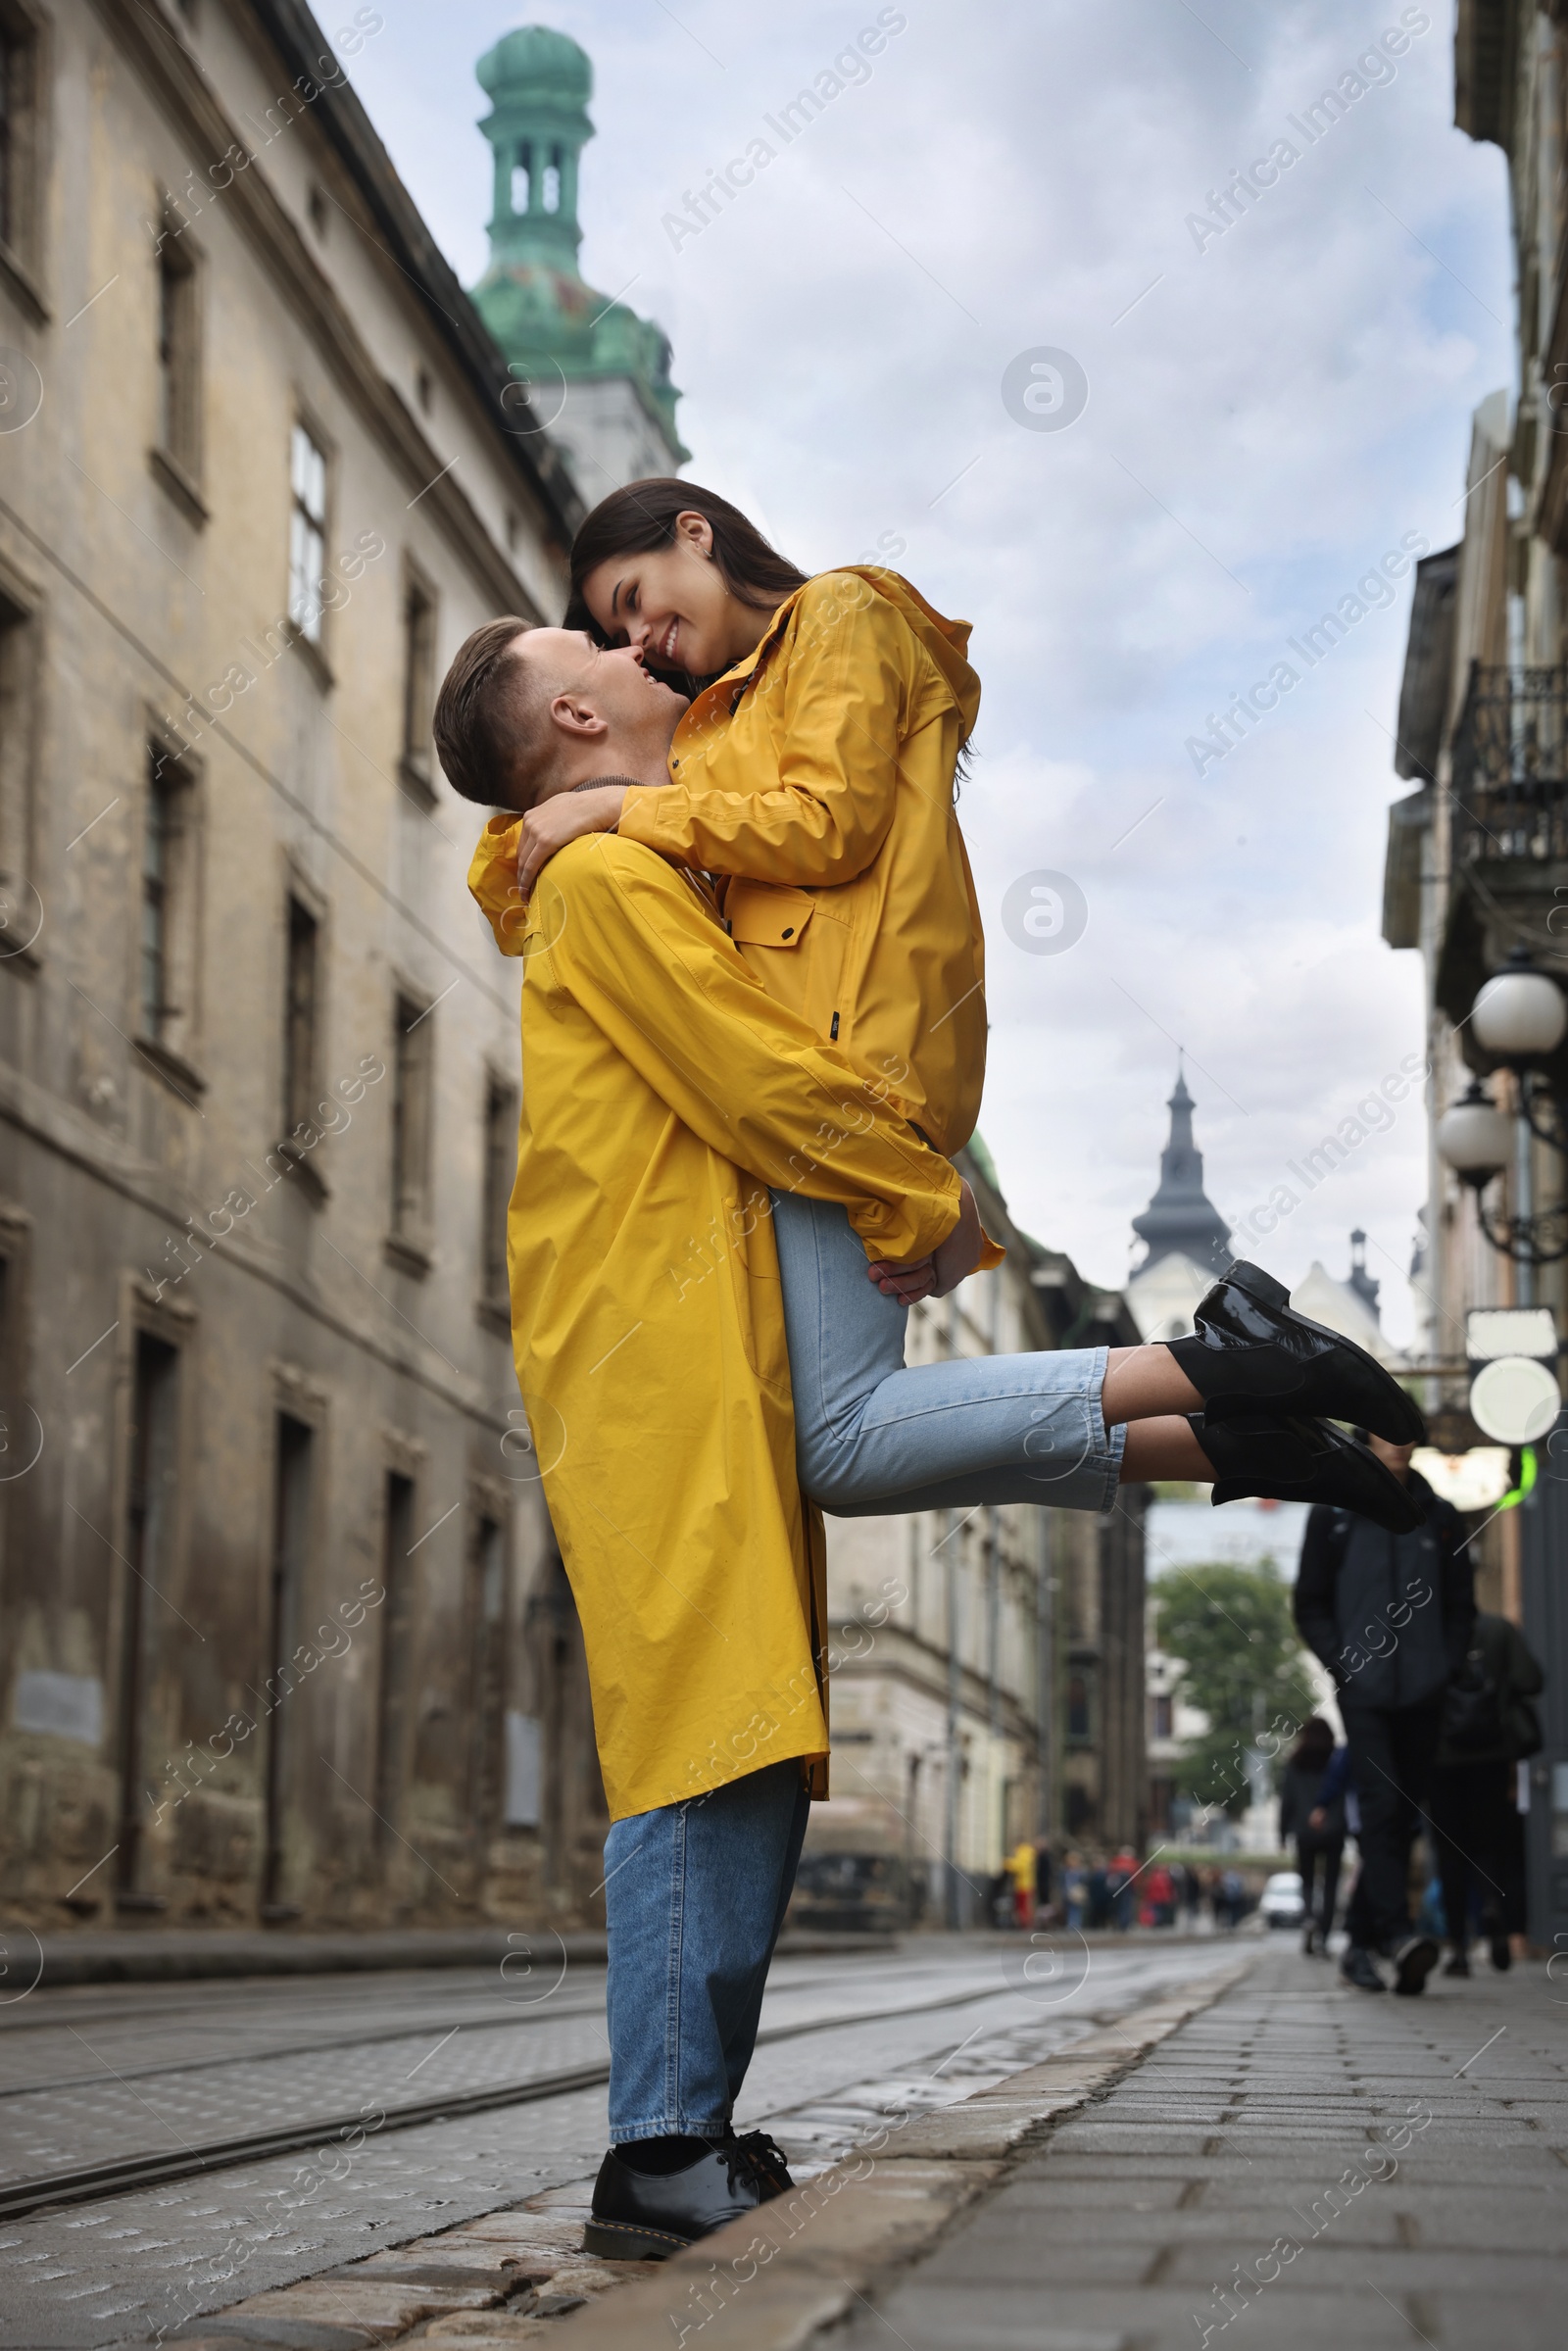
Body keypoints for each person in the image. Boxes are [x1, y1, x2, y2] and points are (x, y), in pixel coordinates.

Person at [1294, 1435, 1475, 1996]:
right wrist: (1343, 1663)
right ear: (1364, 1440)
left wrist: (1442, 1668)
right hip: (1365, 1691)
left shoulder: (1440, 1517)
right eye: (1385, 1433)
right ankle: (1397, 1935)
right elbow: (1309, 1601)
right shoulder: (1335, 1515)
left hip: (1424, 1692)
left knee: (1403, 1816)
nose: (1397, 1444)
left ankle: (1358, 1945)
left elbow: (1461, 1606)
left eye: (1405, 1434)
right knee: (1377, 1807)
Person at [1430, 1611, 1544, 1976]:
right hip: (1491, 1752)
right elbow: (1531, 1679)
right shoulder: (1499, 1630)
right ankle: (1493, 1908)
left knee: (1449, 1851)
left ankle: (1458, 1948)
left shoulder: (1427, 1629)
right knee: (1489, 1844)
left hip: (1442, 1754)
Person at [1278, 1716, 1346, 1956]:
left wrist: (1283, 1832)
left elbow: (1287, 1800)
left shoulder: (1295, 1762)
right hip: (1334, 1829)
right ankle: (1324, 1937)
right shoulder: (1337, 1760)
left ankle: (1308, 1918)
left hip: (1304, 1830)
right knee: (1330, 1885)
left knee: (1306, 1881)